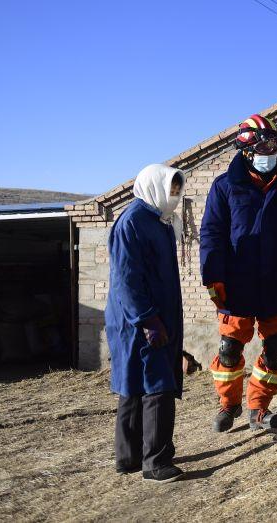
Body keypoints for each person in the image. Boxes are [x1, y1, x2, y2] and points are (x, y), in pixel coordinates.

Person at [200, 114, 277, 433]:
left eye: (273, 147)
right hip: (237, 284)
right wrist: (213, 277)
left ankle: (258, 407)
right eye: (261, 148)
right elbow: (211, 234)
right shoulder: (224, 187)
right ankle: (228, 403)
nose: (268, 155)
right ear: (246, 151)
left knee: (276, 351)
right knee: (229, 349)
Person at [106, 163, 186, 483]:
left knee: (135, 386)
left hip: (148, 318)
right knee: (157, 385)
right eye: (171, 189)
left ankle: (128, 458)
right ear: (154, 186)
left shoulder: (158, 220)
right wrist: (148, 319)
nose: (175, 196)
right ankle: (156, 461)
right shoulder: (134, 222)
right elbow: (126, 279)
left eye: (178, 190)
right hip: (141, 320)